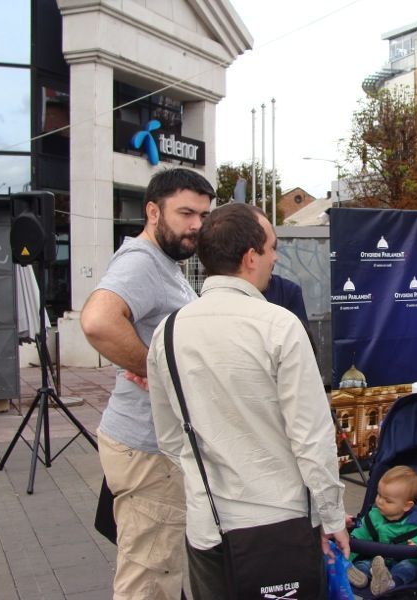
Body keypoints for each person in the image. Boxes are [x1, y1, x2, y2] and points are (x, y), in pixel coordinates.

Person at [146, 203, 348, 599]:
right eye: (272, 247)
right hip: (280, 525)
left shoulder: (167, 332)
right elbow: (311, 438)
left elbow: (169, 438)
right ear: (250, 257)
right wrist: (333, 515)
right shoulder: (280, 325)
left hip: (209, 527)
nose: (276, 257)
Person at [80, 167, 214, 599]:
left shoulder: (165, 262)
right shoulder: (141, 260)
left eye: (203, 215)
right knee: (149, 579)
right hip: (147, 450)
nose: (196, 225)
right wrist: (160, 373)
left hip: (152, 445)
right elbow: (98, 322)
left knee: (160, 568)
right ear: (153, 211)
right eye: (186, 213)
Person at [347, 466, 417, 597]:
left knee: (408, 568)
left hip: (403, 560)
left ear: (407, 506)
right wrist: (347, 556)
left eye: (388, 500)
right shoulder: (373, 516)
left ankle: (390, 583)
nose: (379, 501)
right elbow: (358, 536)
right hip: (377, 561)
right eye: (379, 494)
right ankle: (361, 578)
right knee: (364, 563)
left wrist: (416, 549)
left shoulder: (414, 524)